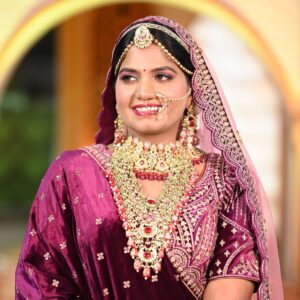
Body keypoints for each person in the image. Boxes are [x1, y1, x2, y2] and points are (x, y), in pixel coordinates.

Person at [15, 16, 283, 300]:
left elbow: (232, 278)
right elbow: (42, 279)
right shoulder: (72, 173)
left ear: (193, 90)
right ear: (114, 90)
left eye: (162, 76)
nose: (143, 93)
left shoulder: (226, 181)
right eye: (129, 77)